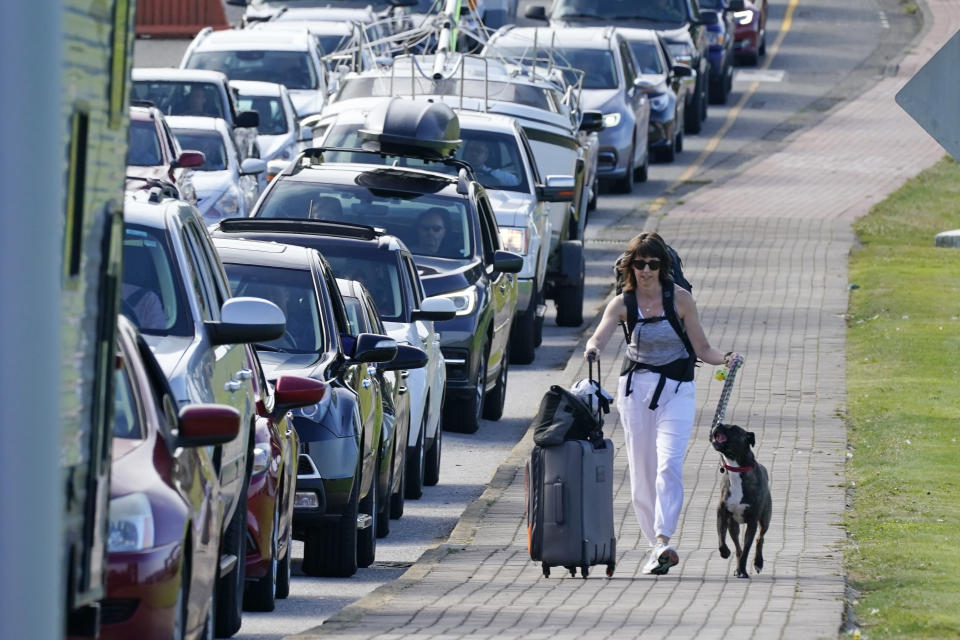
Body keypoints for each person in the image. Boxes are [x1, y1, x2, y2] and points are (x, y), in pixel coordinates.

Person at [583, 232, 740, 576]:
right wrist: (593, 347)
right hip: (635, 390)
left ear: (663, 267)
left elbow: (702, 348)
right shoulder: (623, 303)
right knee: (641, 469)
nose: (646, 270)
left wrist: (725, 358)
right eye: (639, 263)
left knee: (668, 464)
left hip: (677, 390)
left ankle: (662, 536)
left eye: (653, 264)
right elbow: (602, 333)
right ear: (631, 266)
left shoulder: (680, 300)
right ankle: (656, 548)